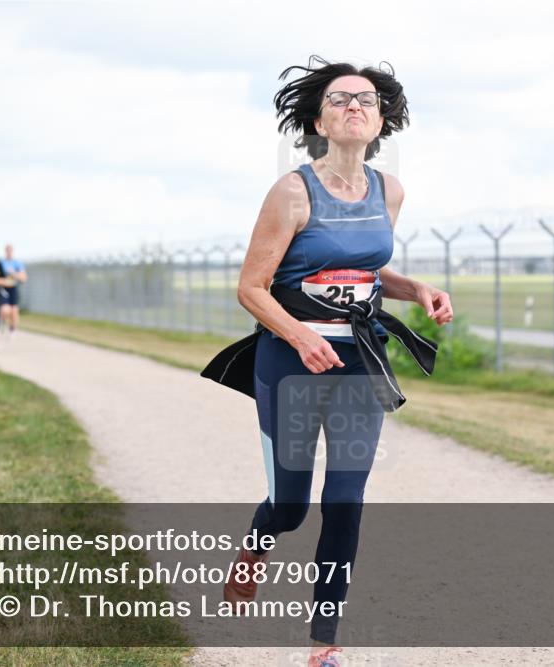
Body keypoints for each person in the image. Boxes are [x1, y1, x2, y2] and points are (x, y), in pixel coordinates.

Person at [200, 56, 452, 667]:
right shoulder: (292, 191)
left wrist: (414, 289)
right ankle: (258, 544)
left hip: (359, 360)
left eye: (366, 99)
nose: (355, 107)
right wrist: (300, 337)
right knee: (290, 505)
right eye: (340, 99)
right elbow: (252, 287)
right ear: (319, 117)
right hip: (288, 362)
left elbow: (365, 271)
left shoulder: (389, 190)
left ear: (382, 119)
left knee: (346, 500)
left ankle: (324, 645)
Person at [0, 243, 27, 336]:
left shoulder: (17, 263)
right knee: (5, 310)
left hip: (13, 288)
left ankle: (12, 329)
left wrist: (13, 273)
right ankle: (2, 321)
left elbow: (23, 278)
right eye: (7, 250)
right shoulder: (1, 263)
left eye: (10, 250)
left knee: (14, 310)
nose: (8, 252)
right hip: (3, 288)